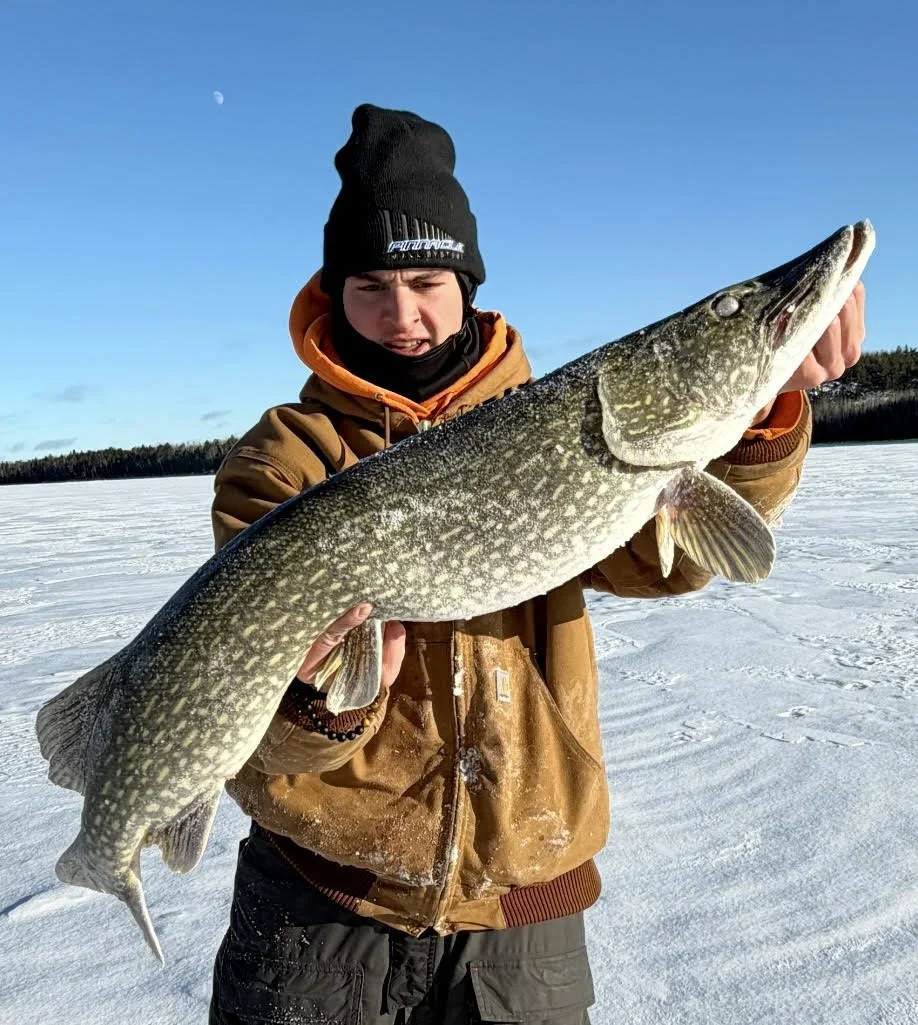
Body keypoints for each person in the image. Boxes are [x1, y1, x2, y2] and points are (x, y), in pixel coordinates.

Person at [208, 104, 866, 1024]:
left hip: (524, 905)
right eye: (371, 286)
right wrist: (320, 704)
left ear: (467, 283)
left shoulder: (560, 422)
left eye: (430, 279)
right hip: (321, 906)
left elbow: (666, 564)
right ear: (332, 292)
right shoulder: (285, 455)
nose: (404, 314)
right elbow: (258, 727)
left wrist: (761, 414)